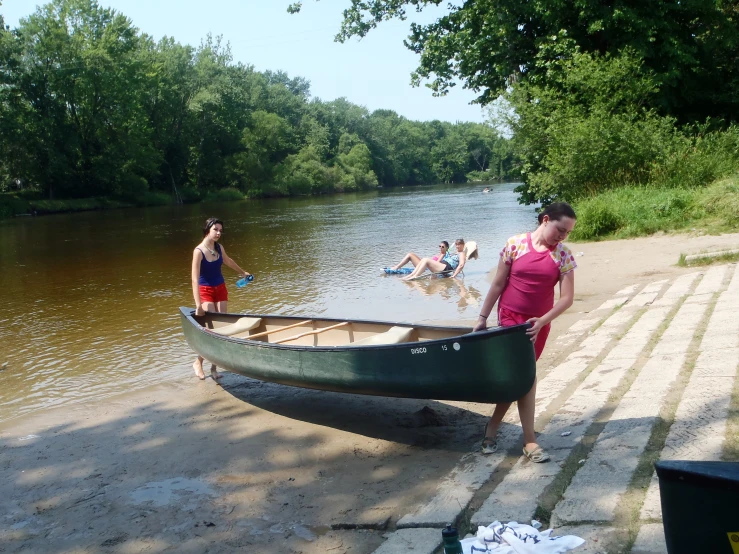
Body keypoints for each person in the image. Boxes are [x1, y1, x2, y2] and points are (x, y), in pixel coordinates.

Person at [472, 203, 577, 463]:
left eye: (567, 233)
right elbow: (498, 284)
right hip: (510, 320)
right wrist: (482, 318)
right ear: (545, 220)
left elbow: (567, 299)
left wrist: (542, 321)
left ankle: (493, 429)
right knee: (523, 377)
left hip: (537, 325)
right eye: (560, 230)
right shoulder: (515, 244)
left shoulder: (563, 255)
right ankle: (529, 441)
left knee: (520, 378)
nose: (562, 236)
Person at [191, 217, 251, 381]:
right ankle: (198, 362)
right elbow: (195, 279)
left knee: (223, 328)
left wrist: (242, 272)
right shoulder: (199, 251)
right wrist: (198, 305)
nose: (218, 233)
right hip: (206, 290)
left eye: (220, 230)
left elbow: (228, 260)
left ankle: (214, 368)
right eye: (215, 230)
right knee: (211, 331)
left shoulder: (219, 247)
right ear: (207, 230)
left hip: (220, 288)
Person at [402, 238, 467, 280]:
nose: (457, 246)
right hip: (443, 265)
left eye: (459, 244)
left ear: (463, 245)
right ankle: (412, 275)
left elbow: (461, 265)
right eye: (456, 244)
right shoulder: (456, 253)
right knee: (424, 259)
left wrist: (454, 275)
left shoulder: (462, 253)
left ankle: (415, 276)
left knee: (426, 260)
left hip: (446, 267)